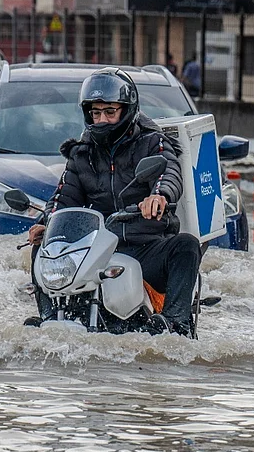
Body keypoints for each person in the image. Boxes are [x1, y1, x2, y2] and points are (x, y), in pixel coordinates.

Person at [25, 68, 200, 336]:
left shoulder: (153, 142)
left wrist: (159, 196)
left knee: (186, 246)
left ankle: (176, 325)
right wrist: (45, 223)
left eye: (110, 111)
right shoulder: (81, 155)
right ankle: (49, 319)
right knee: (43, 248)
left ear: (127, 110)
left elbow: (169, 173)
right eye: (96, 112)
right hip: (100, 246)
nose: (102, 119)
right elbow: (63, 198)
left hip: (146, 246)